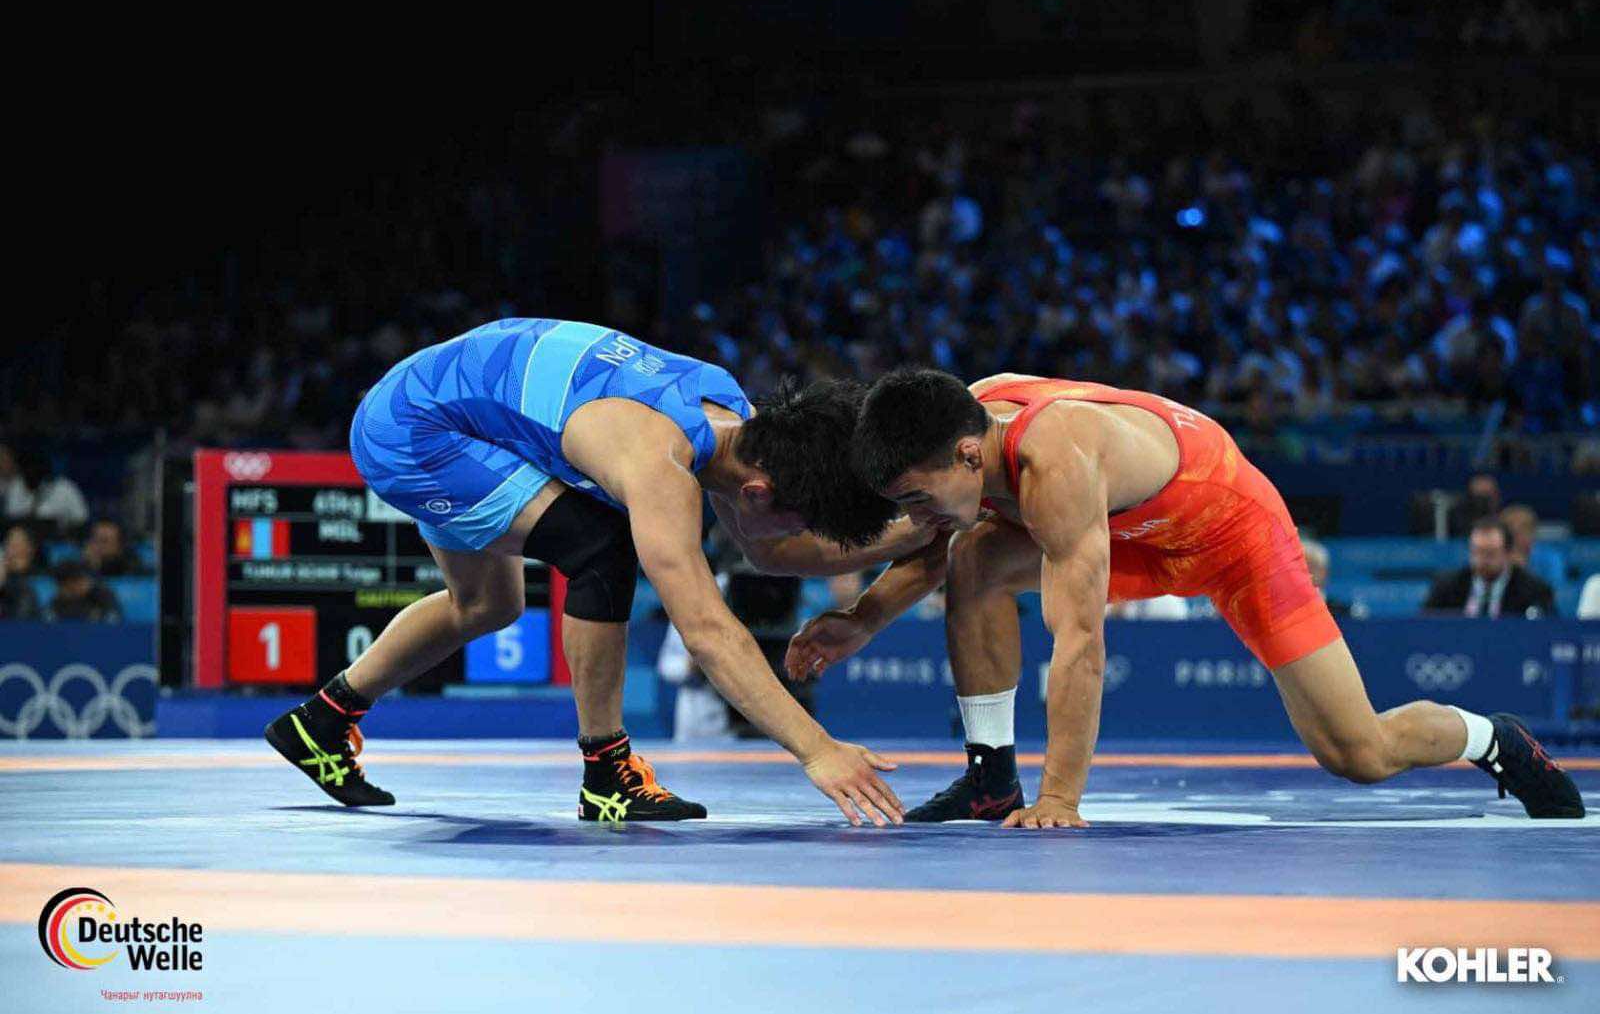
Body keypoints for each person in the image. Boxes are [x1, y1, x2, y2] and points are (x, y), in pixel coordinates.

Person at [786, 368, 1584, 824]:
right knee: (970, 555)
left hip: (1236, 537)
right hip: (1136, 534)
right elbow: (938, 546)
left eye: (918, 497)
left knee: (1359, 752)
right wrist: (861, 618)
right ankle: (991, 778)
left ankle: (1495, 738)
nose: (915, 517)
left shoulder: (1056, 460)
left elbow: (1081, 641)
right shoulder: (959, 425)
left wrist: (1063, 797)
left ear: (968, 455)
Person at [266, 318, 926, 826]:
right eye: (795, 521)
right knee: (601, 548)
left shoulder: (739, 420)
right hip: (414, 430)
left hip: (455, 402)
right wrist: (817, 749)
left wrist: (917, 529)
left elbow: (769, 552)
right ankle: (607, 773)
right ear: (758, 493)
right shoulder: (658, 462)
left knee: (486, 604)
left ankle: (320, 721)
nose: (792, 537)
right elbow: (706, 631)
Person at [1423, 518, 1557, 619]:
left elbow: (1547, 632)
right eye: (1477, 552)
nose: (1482, 560)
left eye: (1490, 553)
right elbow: (1424, 626)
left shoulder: (1534, 590)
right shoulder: (1447, 586)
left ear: (1508, 553)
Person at [45, 561, 122, 623]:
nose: (87, 582)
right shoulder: (56, 603)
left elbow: (114, 617)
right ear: (68, 584)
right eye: (79, 580)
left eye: (84, 578)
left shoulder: (101, 594)